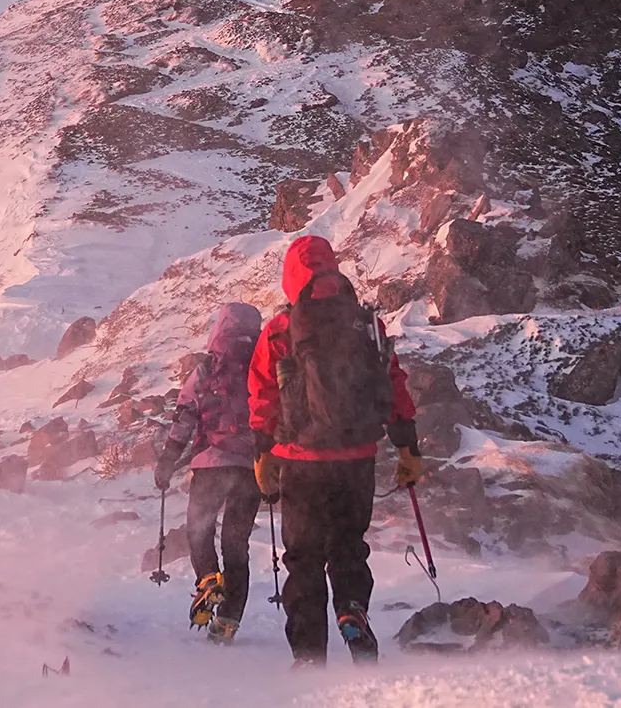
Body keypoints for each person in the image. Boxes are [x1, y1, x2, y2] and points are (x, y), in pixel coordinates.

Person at [248, 235, 421, 666]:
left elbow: (261, 395)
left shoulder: (280, 330)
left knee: (304, 559)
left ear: (291, 277)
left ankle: (308, 658)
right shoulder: (366, 325)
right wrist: (408, 449)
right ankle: (352, 610)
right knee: (348, 547)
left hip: (302, 463)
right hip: (357, 459)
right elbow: (393, 383)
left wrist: (264, 451)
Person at [153, 302, 265, 643]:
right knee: (236, 544)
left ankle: (207, 579)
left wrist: (167, 463)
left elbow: (184, 418)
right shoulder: (263, 367)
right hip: (252, 470)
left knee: (199, 529)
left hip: (210, 466)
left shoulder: (206, 370)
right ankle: (229, 618)